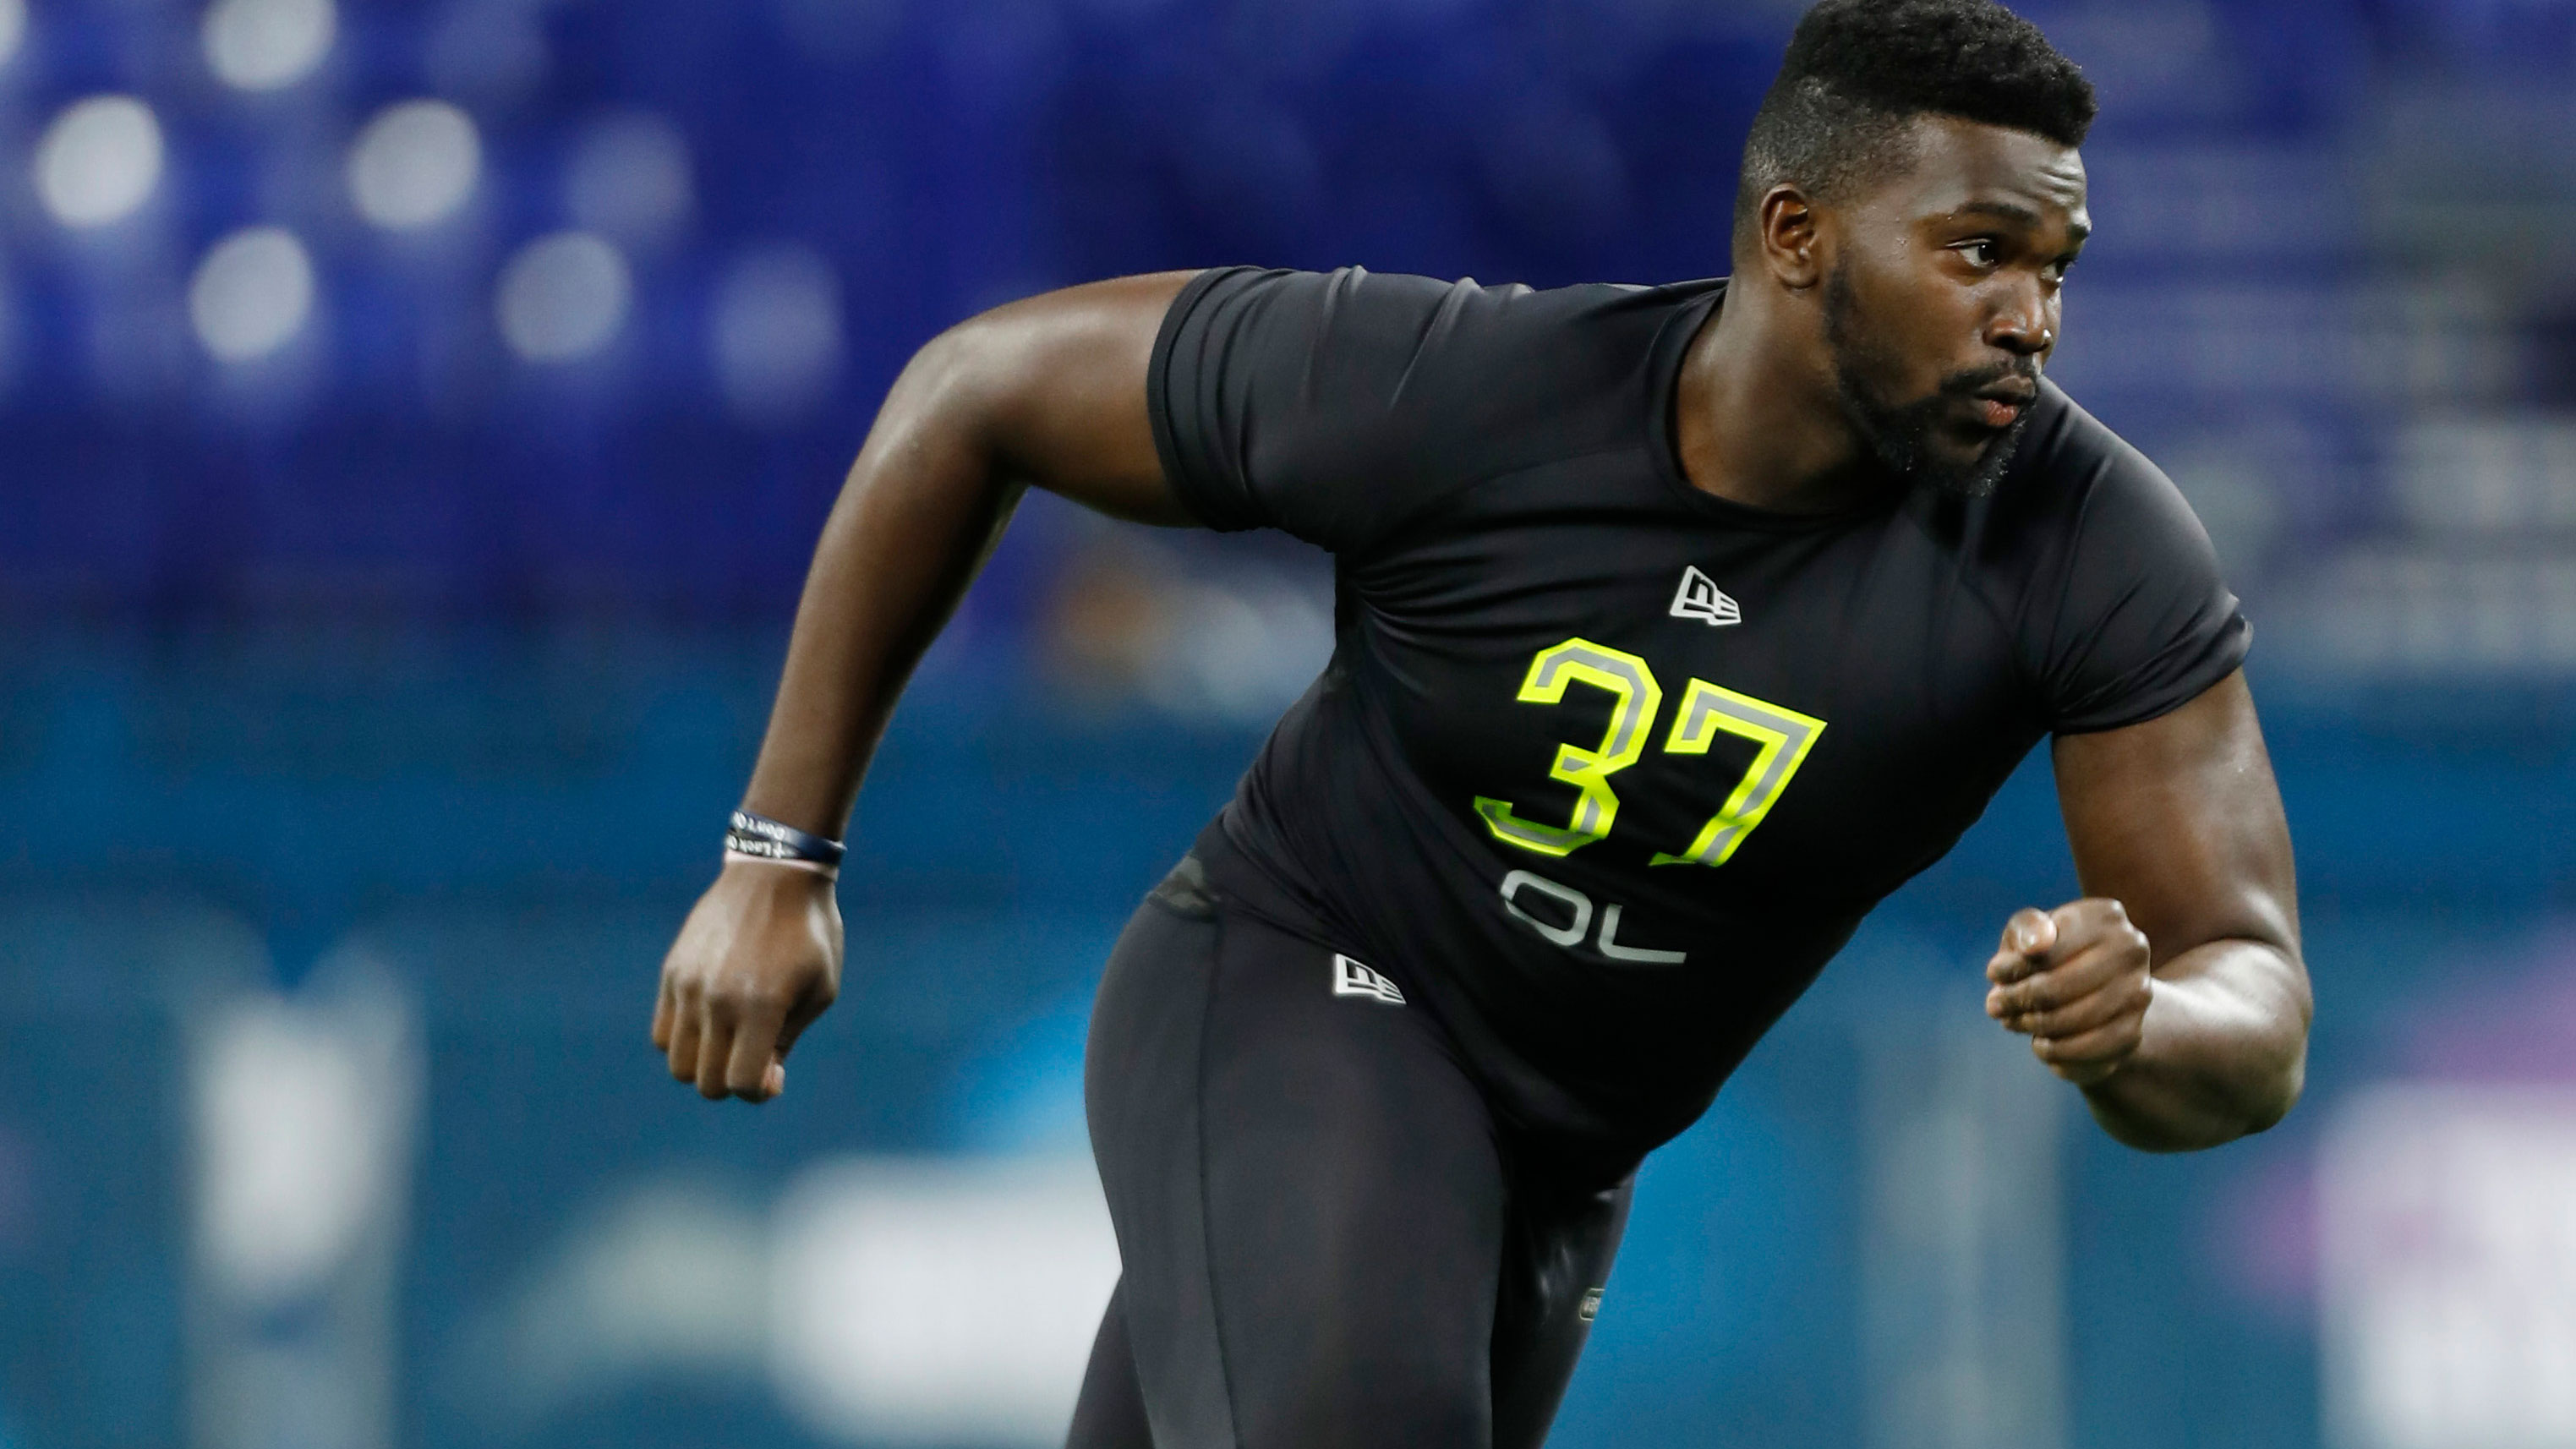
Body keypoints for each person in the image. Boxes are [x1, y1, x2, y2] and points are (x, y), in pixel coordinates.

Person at [651, 0, 2313, 1443]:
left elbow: (2254, 999)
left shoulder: (2087, 544)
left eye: (2053, 268)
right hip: (1294, 985)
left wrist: (2145, 1021)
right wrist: (778, 854)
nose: (2032, 317)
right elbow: (974, 390)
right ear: (1797, 233)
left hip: (1560, 1163)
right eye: (1978, 253)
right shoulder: (1475, 390)